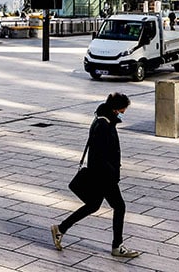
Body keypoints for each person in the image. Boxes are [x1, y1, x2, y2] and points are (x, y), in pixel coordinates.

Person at [50, 93, 141, 259]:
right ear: (115, 109)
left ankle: (60, 229)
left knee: (93, 205)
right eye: (122, 110)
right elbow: (99, 155)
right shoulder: (103, 125)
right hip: (104, 176)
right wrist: (112, 173)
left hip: (100, 174)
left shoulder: (102, 120)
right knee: (119, 207)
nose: (123, 113)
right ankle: (117, 246)